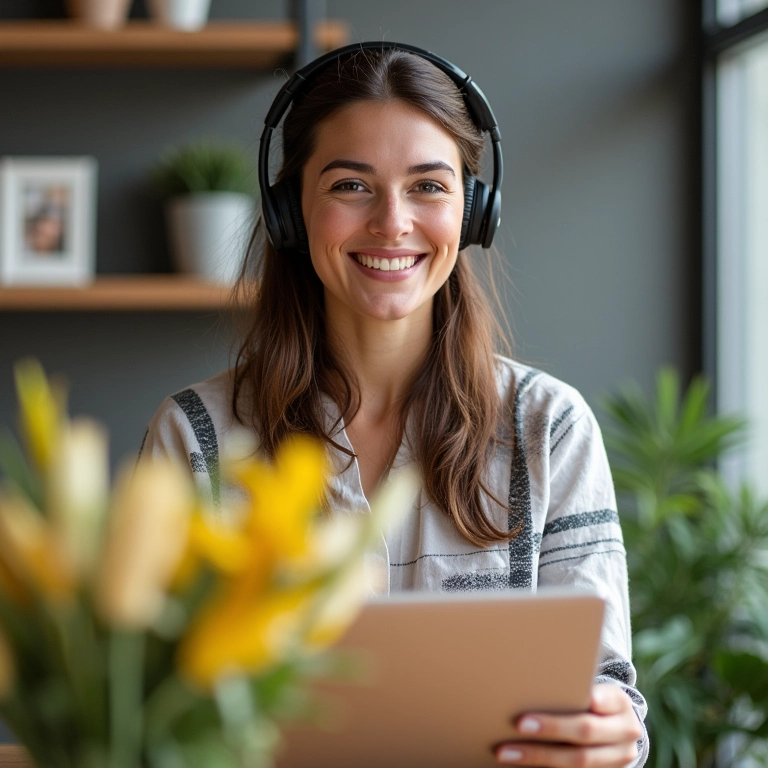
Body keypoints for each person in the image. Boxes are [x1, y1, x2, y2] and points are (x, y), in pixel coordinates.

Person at [142, 43, 648, 767]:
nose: (392, 222)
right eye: (351, 185)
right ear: (291, 211)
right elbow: (152, 711)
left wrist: (609, 736)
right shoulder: (195, 438)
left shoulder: (549, 427)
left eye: (428, 187)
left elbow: (606, 697)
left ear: (473, 211)